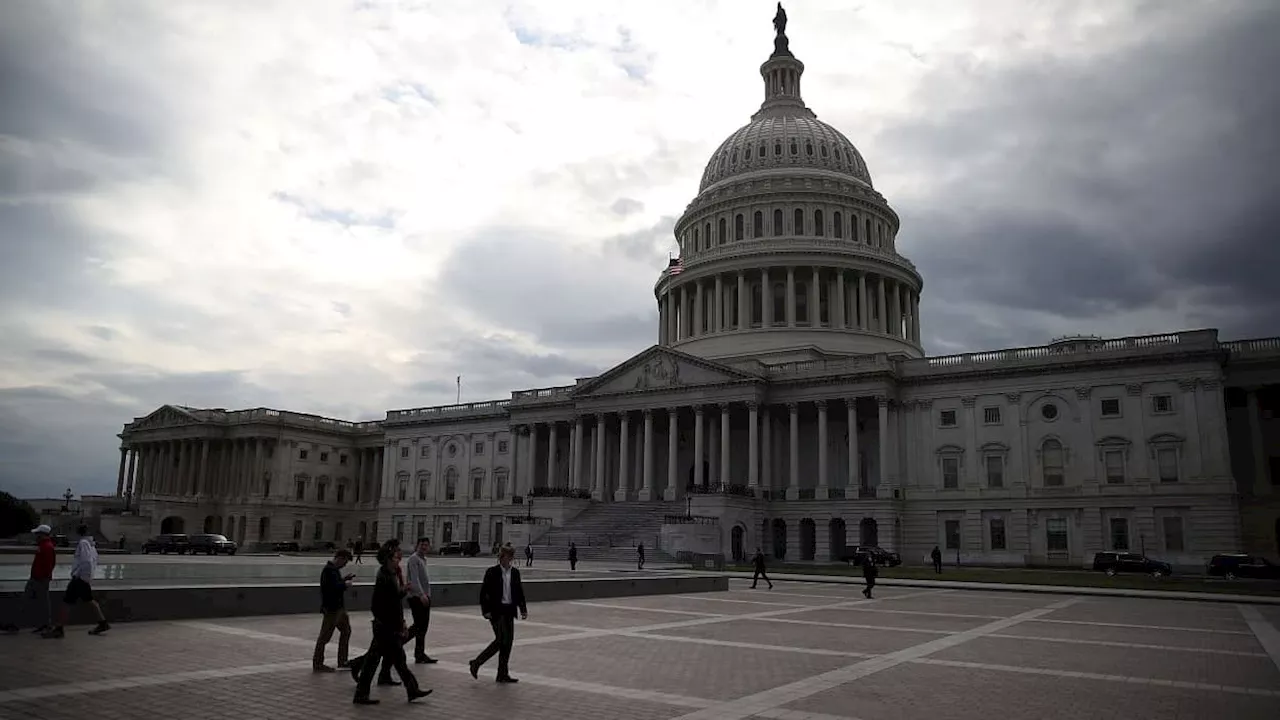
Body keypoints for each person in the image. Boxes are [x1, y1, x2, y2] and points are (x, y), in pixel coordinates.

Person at [352, 545, 431, 705]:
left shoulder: (388, 574)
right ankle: (362, 692)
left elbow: (393, 600)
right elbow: (384, 604)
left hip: (386, 626)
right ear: (388, 560)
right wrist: (397, 624)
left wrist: (402, 592)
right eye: (395, 557)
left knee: (389, 660)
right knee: (380, 661)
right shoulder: (385, 577)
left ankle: (411, 690)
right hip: (385, 628)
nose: (398, 560)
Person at [468, 545, 527, 683]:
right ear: (501, 557)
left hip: (509, 610)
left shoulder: (515, 573)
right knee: (501, 640)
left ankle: (502, 673)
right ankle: (477, 663)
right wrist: (486, 611)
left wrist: (522, 608)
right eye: (507, 555)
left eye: (511, 556)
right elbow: (484, 593)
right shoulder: (492, 572)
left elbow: (519, 592)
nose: (509, 558)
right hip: (496, 611)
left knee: (508, 643)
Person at [44, 525, 108, 638]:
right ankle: (102, 623)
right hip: (84, 578)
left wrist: (80, 576)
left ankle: (59, 628)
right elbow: (92, 562)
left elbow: (86, 561)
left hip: (79, 579)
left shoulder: (83, 543)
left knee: (66, 602)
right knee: (89, 600)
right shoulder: (91, 545)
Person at [313, 549, 355, 672]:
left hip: (339, 609)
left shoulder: (333, 571)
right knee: (325, 636)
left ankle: (342, 661)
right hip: (332, 609)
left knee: (346, 631)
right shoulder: (329, 570)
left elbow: (335, 584)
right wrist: (345, 585)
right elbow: (331, 589)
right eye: (345, 562)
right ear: (339, 558)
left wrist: (344, 579)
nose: (345, 565)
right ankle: (318, 663)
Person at [404, 537, 437, 664]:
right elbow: (414, 579)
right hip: (417, 597)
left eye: (426, 545)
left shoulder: (423, 559)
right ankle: (397, 645)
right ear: (417, 545)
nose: (424, 547)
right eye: (422, 545)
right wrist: (421, 594)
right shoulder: (414, 559)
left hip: (424, 596)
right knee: (418, 626)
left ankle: (420, 654)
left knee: (422, 627)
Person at [28, 524, 57, 634]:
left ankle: (46, 624)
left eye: (37, 534)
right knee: (41, 602)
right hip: (37, 578)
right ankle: (44, 624)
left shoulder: (47, 547)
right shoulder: (44, 546)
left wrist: (42, 577)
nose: (36, 536)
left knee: (42, 602)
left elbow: (49, 565)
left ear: (42, 535)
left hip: (39, 579)